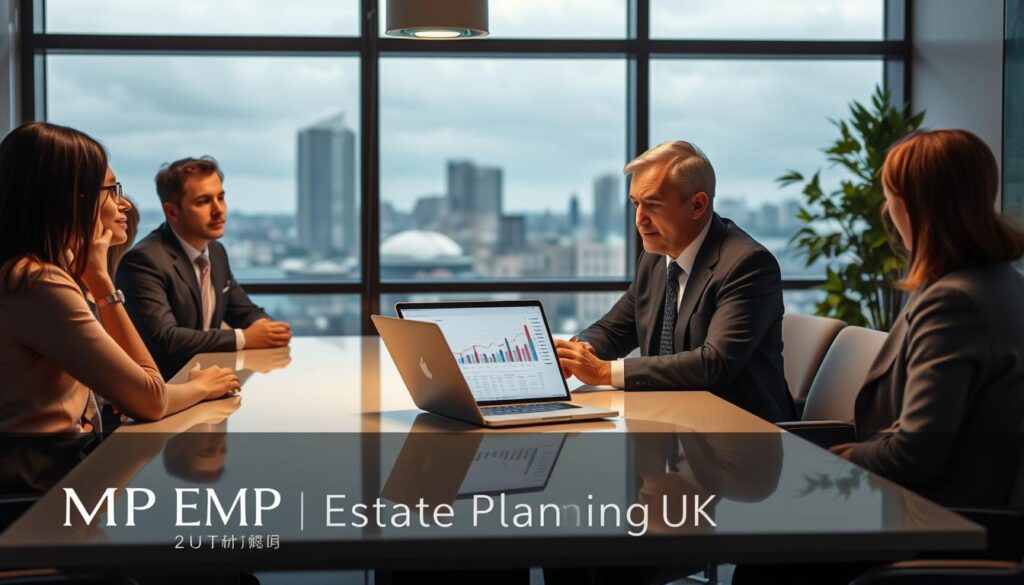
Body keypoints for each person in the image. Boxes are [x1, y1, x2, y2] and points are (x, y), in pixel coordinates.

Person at [0, 122, 240, 433]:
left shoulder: (34, 273)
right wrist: (201, 387)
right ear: (71, 200)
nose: (123, 203)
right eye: (112, 190)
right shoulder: (38, 283)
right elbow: (151, 399)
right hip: (48, 475)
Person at [830, 129, 1024, 509]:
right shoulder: (1002, 282)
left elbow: (916, 452)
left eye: (891, 198)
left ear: (916, 206)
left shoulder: (954, 303)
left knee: (764, 568)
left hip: (934, 518)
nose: (887, 211)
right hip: (949, 506)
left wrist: (845, 459)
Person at [556, 141, 794, 422]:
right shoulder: (655, 259)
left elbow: (712, 364)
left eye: (653, 205)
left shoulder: (747, 265)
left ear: (697, 205)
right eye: (636, 204)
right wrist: (581, 351)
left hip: (741, 435)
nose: (639, 220)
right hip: (670, 425)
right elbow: (615, 329)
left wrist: (603, 372)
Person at [116, 156, 292, 380]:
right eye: (203, 202)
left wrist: (266, 329)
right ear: (172, 212)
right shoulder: (143, 260)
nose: (219, 210)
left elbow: (243, 311)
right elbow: (166, 339)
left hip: (208, 388)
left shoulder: (216, 252)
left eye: (221, 198)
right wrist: (244, 338)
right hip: (165, 394)